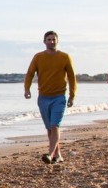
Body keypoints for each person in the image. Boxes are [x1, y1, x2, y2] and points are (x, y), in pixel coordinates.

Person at [24, 31, 76, 164]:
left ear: (57, 41)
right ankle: (58, 155)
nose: (51, 42)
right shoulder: (38, 57)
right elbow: (30, 74)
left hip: (59, 97)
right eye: (49, 39)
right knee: (49, 128)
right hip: (43, 98)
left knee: (55, 126)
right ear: (44, 41)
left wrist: (72, 95)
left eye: (54, 39)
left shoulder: (64, 57)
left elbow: (71, 77)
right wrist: (27, 89)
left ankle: (50, 154)